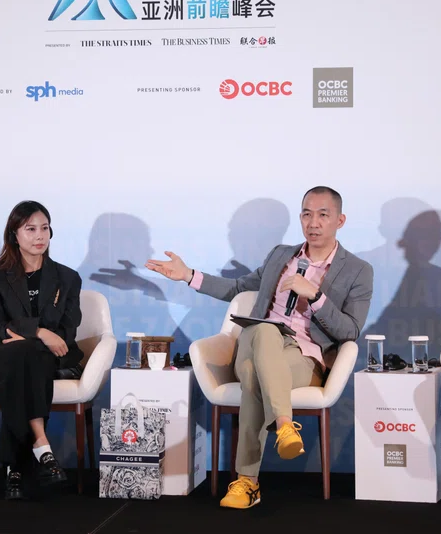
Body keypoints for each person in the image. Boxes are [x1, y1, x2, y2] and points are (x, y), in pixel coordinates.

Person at [146, 186, 373, 509]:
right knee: (264, 332)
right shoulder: (282, 255)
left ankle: (247, 483)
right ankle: (284, 425)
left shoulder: (358, 271)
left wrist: (316, 296)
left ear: (340, 220)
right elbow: (239, 288)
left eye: (323, 215)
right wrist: (188, 276)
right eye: (307, 214)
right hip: (257, 342)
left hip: (305, 358)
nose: (314, 222)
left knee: (253, 375)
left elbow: (350, 330)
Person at [0, 201, 84, 500]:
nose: (40, 236)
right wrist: (38, 331)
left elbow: (68, 329)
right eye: (30, 229)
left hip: (47, 357)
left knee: (23, 355)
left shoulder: (68, 278)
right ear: (14, 234)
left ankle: (15, 467)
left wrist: (37, 336)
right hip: (3, 354)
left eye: (45, 228)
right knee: (19, 354)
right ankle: (41, 445)